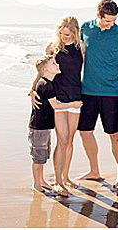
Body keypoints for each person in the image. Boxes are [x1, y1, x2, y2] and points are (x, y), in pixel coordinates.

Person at [77, 0, 118, 187]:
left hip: (111, 93)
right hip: (88, 91)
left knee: (115, 134)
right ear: (98, 15)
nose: (111, 25)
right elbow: (77, 54)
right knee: (84, 132)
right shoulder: (85, 28)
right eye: (107, 21)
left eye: (113, 21)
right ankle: (94, 171)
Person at [28, 55, 82, 195]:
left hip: (44, 126)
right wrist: (73, 104)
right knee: (38, 156)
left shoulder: (46, 83)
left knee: (43, 154)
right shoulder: (47, 85)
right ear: (46, 70)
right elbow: (56, 106)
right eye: (53, 63)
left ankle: (41, 180)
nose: (57, 64)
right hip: (38, 126)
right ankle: (36, 184)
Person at [47, 16, 84, 190]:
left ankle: (66, 176)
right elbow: (43, 70)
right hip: (58, 97)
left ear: (75, 32)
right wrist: (34, 89)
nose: (64, 37)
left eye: (67, 34)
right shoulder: (52, 48)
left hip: (76, 98)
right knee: (61, 139)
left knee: (69, 139)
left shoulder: (81, 48)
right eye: (61, 34)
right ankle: (58, 180)